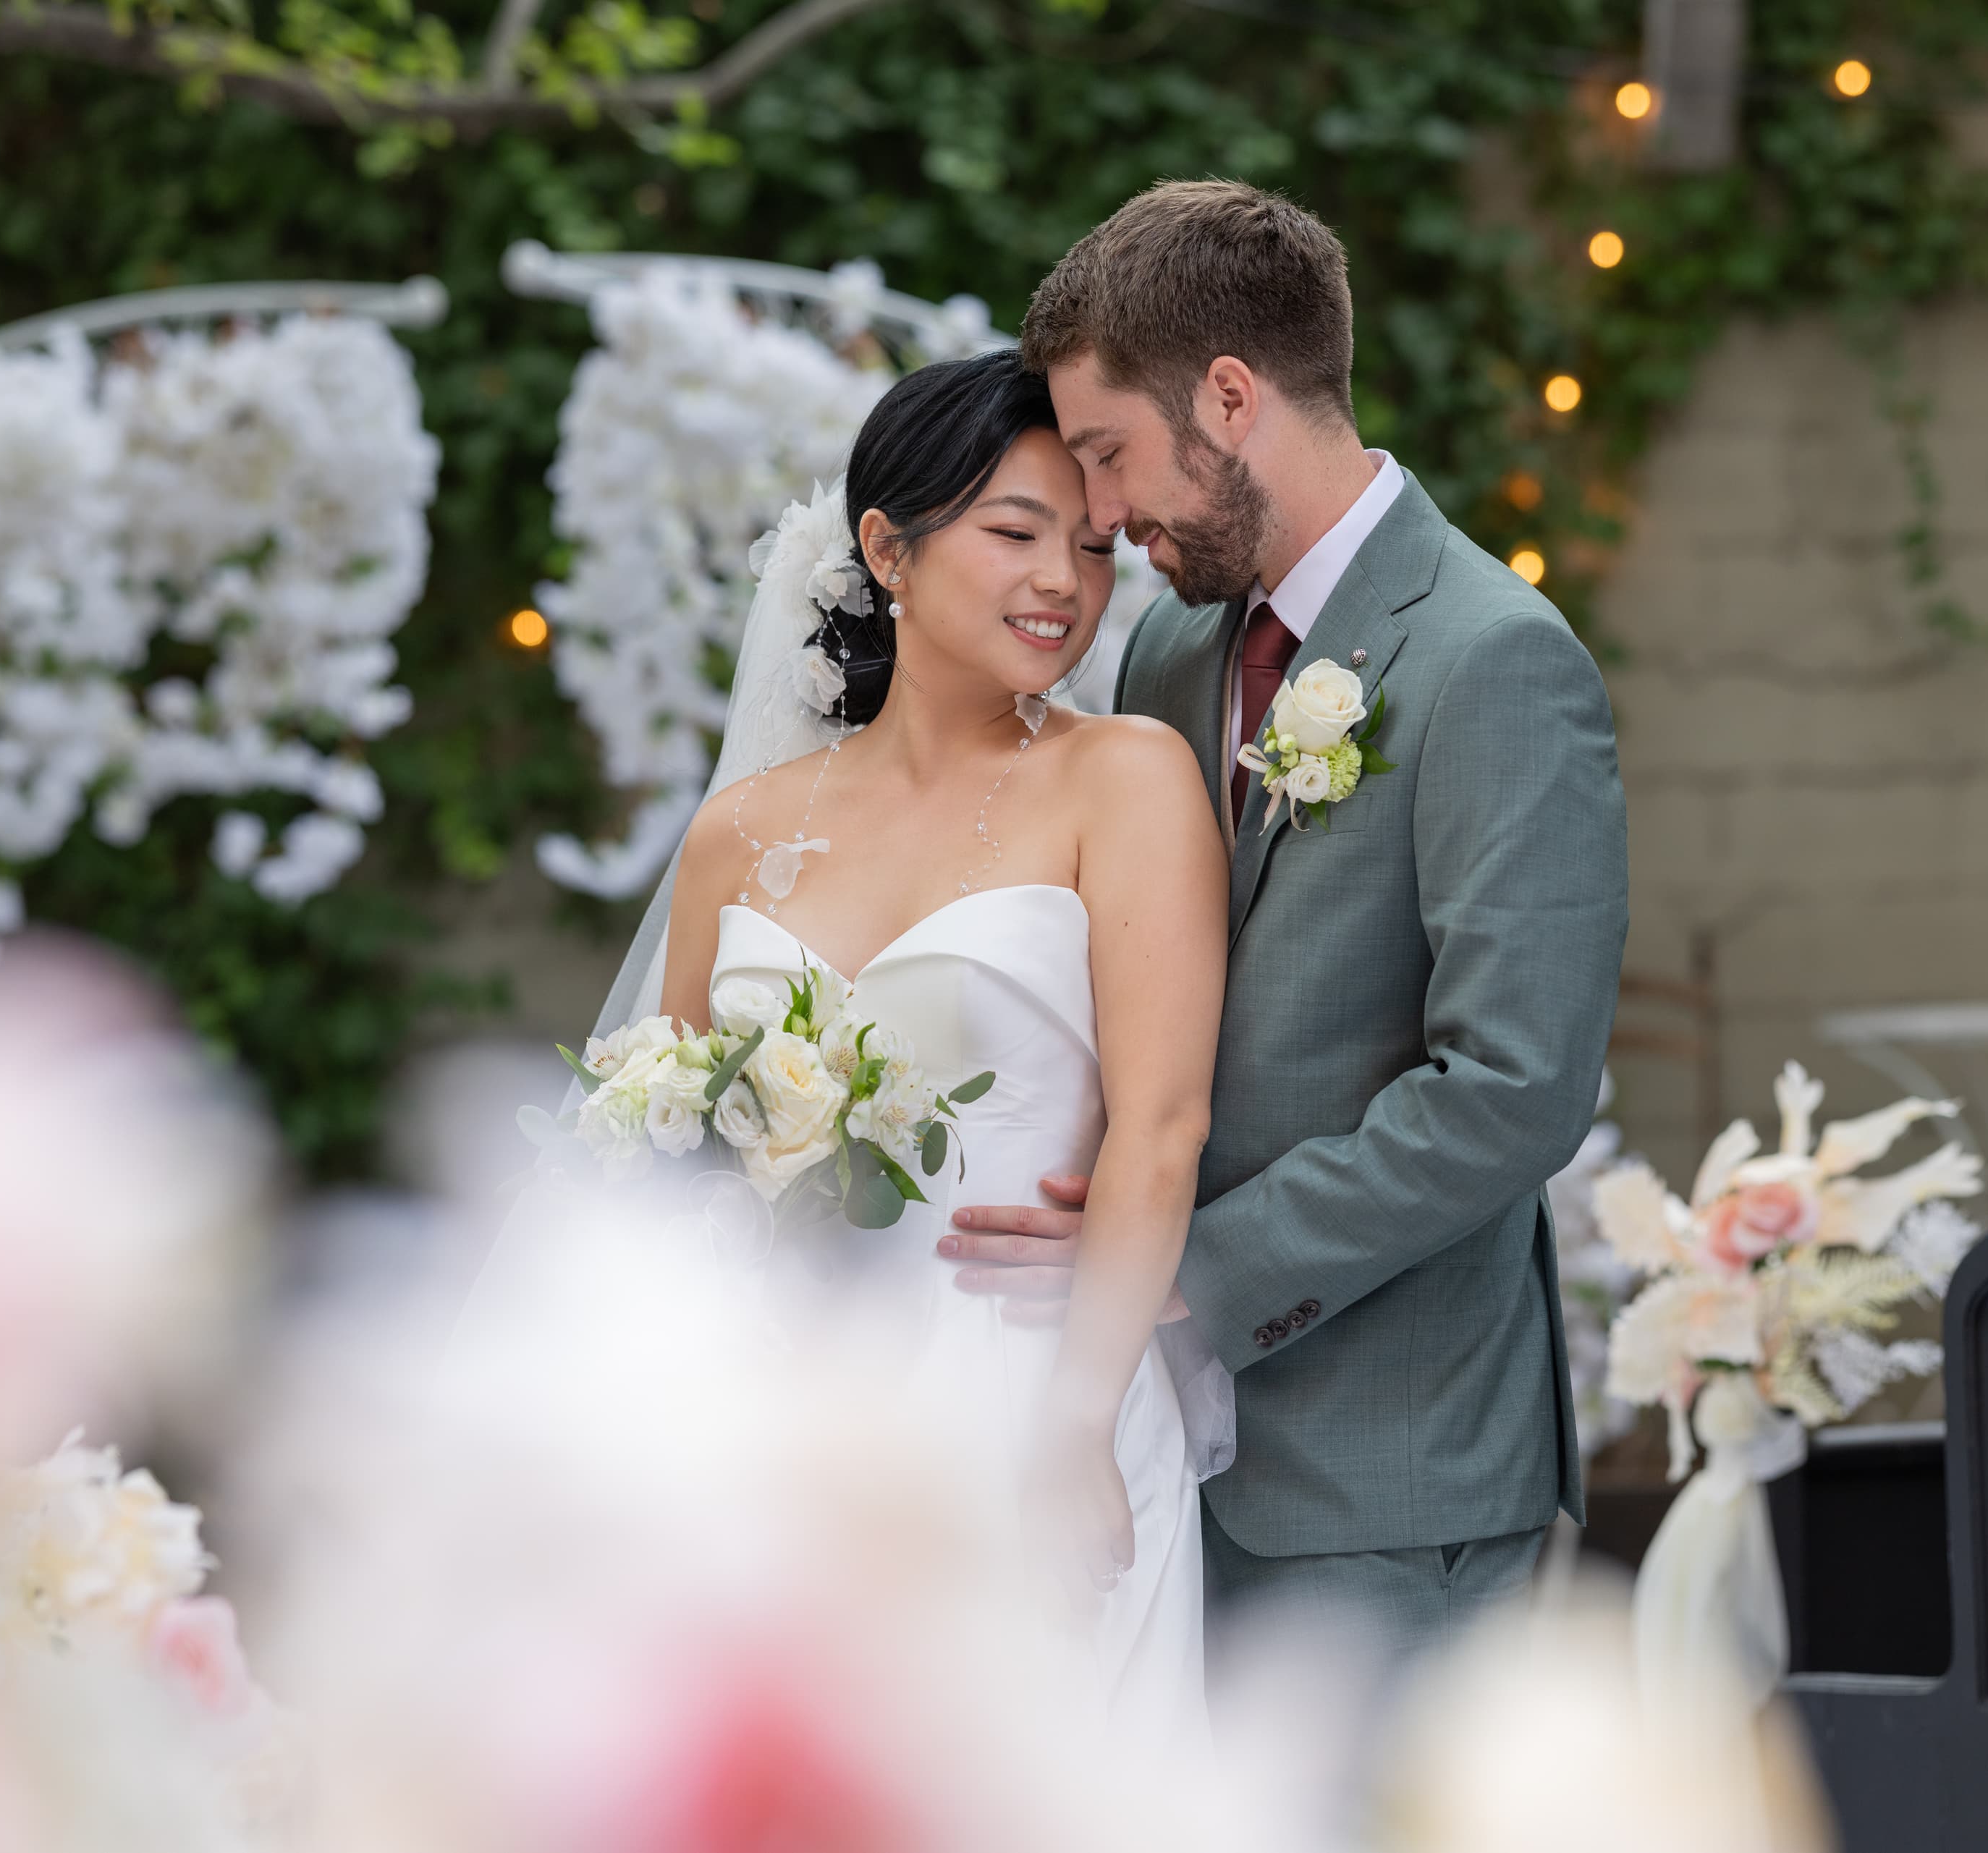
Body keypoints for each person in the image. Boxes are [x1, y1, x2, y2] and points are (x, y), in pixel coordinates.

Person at [942, 179, 1630, 1657]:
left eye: (1112, 457)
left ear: (1234, 398)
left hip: (1390, 1480)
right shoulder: (1178, 652)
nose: (1103, 522)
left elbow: (1516, 1090)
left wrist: (1184, 1268)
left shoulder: (1496, 661)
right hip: (1158, 1462)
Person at [638, 352, 1231, 1730]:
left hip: (1032, 1384)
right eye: (1015, 534)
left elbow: (1162, 1123)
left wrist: (1079, 1423)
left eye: (1091, 549)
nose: (1063, 586)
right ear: (886, 549)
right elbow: (661, 1144)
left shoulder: (1124, 776)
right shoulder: (740, 832)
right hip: (791, 1418)